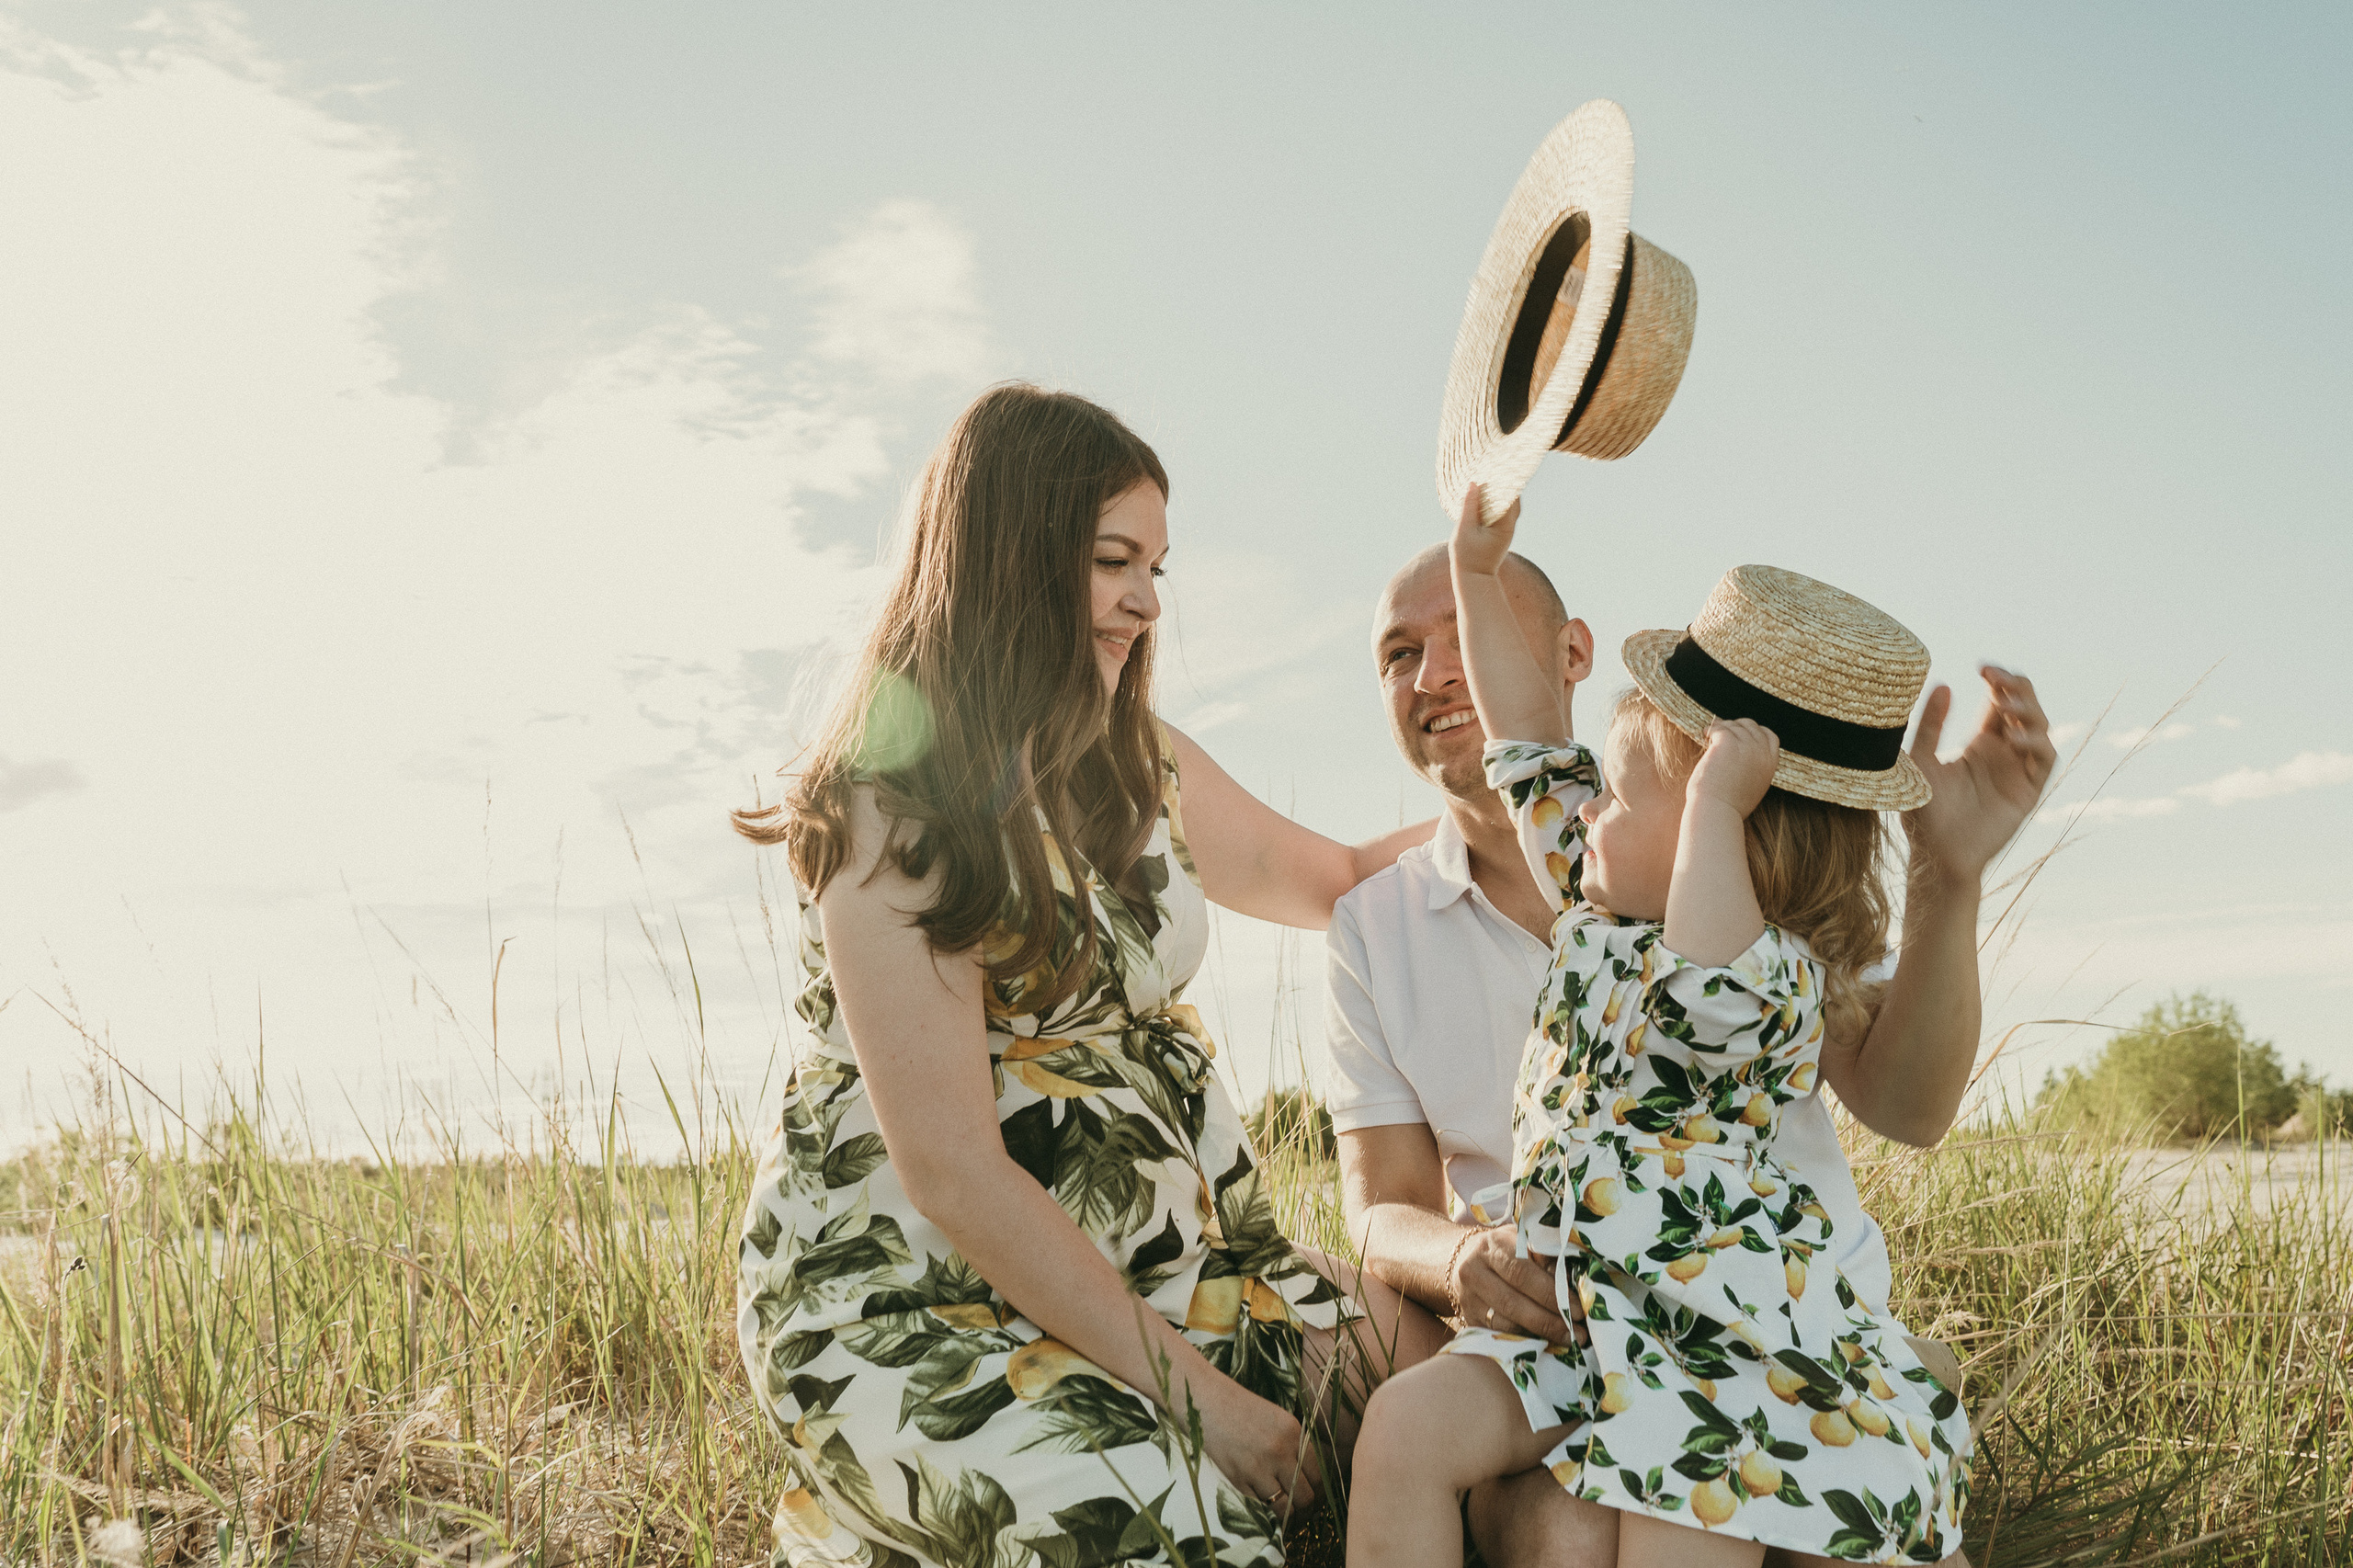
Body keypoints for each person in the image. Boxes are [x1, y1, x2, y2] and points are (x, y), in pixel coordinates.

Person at [733, 384, 1446, 1568]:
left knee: (1434, 1370)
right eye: (1115, 560)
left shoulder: (1138, 762)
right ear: (1011, 558)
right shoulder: (890, 802)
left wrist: (1535, 803)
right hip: (920, 1299)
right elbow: (955, 1173)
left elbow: (1344, 878)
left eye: (1157, 565)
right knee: (1182, 1531)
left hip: (1171, 1268)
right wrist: (1210, 1406)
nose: (1146, 602)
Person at [1325, 507, 2051, 1564]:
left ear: (1722, 832)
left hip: (1719, 1343)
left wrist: (1921, 863)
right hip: (1578, 1320)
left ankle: (1881, 1376)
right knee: (1404, 1426)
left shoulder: (1758, 980)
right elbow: (1524, 719)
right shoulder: (1598, 891)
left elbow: (1711, 967)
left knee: (1679, 1523)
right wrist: (1477, 572)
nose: (1585, 815)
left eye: (1616, 795)